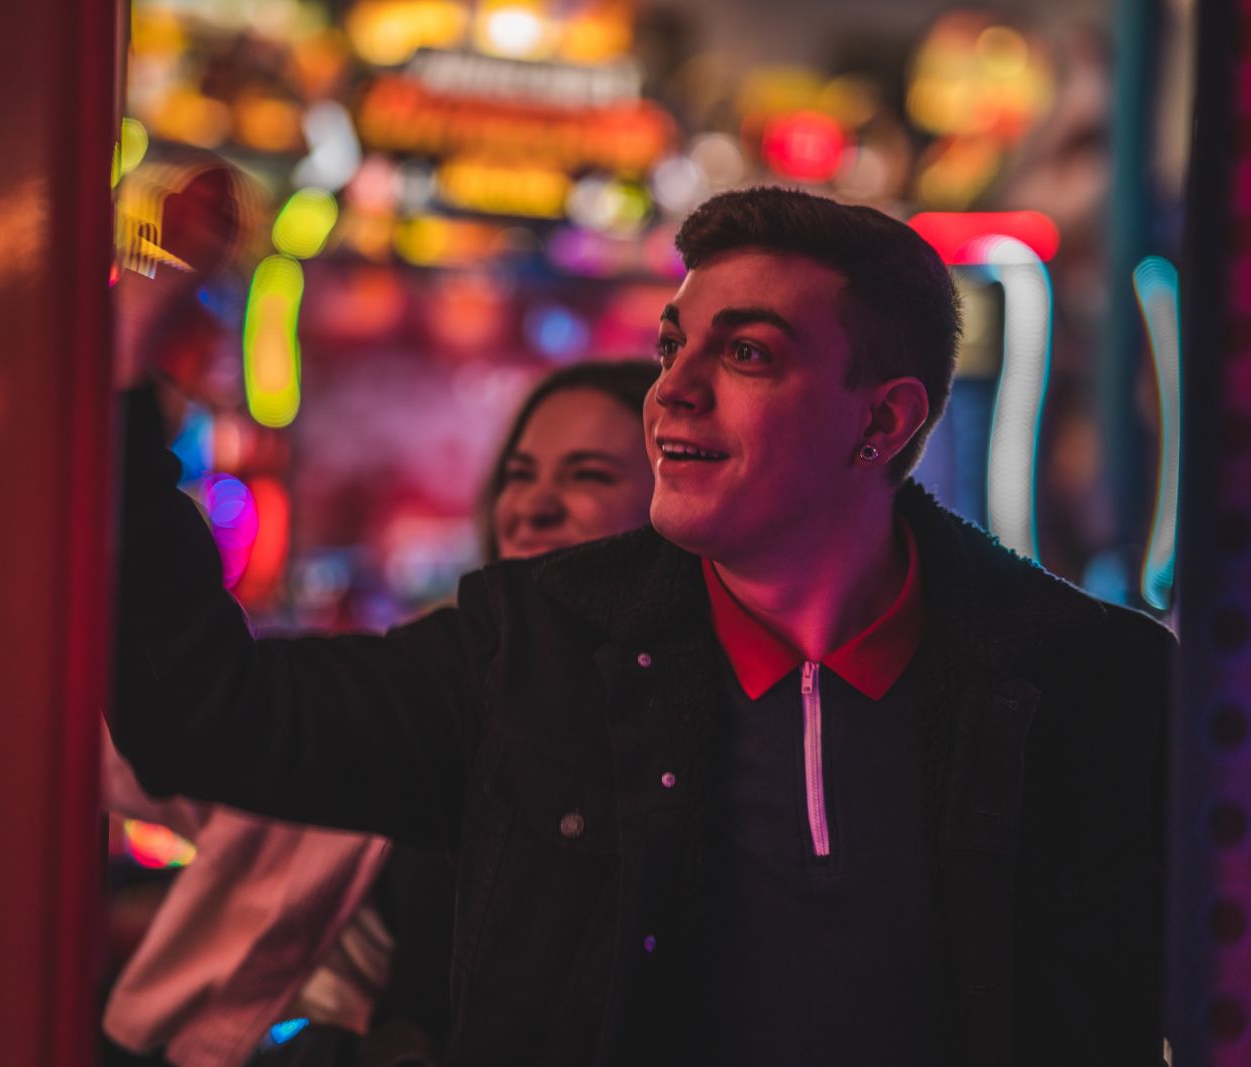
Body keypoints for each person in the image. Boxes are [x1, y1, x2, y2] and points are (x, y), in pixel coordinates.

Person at [109, 187, 1171, 1065]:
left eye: (746, 353)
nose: (675, 390)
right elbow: (207, 715)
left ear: (882, 420)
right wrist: (121, 401)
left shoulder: (1081, 680)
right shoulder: (534, 648)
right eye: (673, 346)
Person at [102, 360, 658, 1067]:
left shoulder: (682, 720)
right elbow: (204, 713)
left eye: (588, 475)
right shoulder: (461, 684)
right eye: (519, 475)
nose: (534, 504)